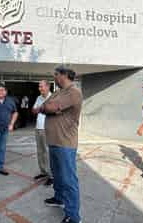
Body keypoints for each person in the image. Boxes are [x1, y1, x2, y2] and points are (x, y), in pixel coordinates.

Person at [36, 66, 83, 223]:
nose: (54, 78)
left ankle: (73, 216)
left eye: (56, 75)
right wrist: (47, 108)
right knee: (57, 174)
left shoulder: (73, 92)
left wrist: (47, 108)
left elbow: (49, 106)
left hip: (65, 143)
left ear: (64, 75)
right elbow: (46, 104)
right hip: (54, 140)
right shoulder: (59, 92)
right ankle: (59, 198)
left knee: (69, 179)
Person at [32, 80, 53, 186]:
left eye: (42, 86)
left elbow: (52, 112)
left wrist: (40, 109)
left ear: (48, 87)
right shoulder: (39, 98)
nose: (40, 88)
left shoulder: (53, 97)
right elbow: (33, 110)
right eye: (39, 87)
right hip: (38, 128)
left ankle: (51, 176)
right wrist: (42, 109)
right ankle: (43, 172)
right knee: (40, 152)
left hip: (47, 129)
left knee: (47, 152)